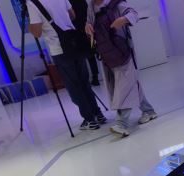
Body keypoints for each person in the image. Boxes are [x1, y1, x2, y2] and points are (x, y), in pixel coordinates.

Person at [28, 0, 106, 130]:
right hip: (74, 41)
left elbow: (37, 33)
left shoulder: (32, 4)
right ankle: (98, 114)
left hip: (59, 49)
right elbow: (72, 15)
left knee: (74, 86)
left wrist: (30, 25)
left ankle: (89, 119)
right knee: (84, 82)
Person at [86, 0, 157, 137]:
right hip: (107, 53)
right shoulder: (91, 6)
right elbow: (89, 22)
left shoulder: (115, 3)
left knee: (124, 86)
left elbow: (134, 14)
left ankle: (121, 124)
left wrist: (123, 19)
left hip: (122, 51)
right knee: (129, 82)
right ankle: (148, 111)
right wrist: (88, 26)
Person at [68, 0, 100, 86]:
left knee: (81, 56)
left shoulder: (68, 2)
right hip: (87, 27)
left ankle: (85, 80)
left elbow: (70, 16)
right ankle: (95, 77)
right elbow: (87, 11)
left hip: (76, 30)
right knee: (91, 54)